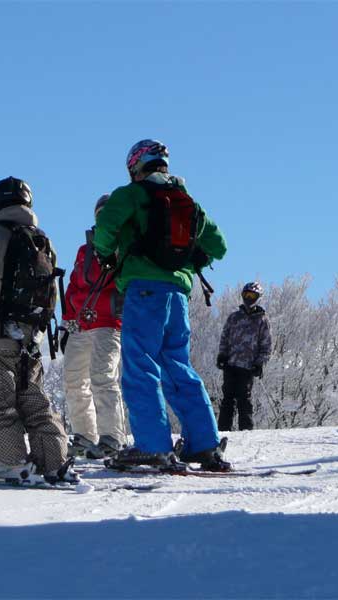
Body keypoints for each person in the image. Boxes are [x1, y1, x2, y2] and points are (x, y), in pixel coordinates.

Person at [93, 139, 230, 471]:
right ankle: (204, 444)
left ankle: (153, 446)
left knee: (140, 366)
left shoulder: (131, 195)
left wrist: (107, 251)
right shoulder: (187, 201)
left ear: (135, 167)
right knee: (177, 366)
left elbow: (105, 229)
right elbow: (219, 246)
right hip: (178, 295)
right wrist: (191, 252)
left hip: (143, 291)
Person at [0, 176, 77, 484]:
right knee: (34, 401)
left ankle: (9, 461)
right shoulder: (43, 240)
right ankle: (54, 462)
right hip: (30, 339)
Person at [61, 193, 127, 458]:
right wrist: (67, 322)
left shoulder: (124, 246)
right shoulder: (84, 250)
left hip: (109, 323)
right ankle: (84, 435)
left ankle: (112, 436)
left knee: (102, 376)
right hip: (81, 323)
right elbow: (74, 285)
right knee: (74, 380)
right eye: (100, 214)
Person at [217, 282, 272, 431]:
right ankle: (222, 430)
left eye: (252, 296)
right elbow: (225, 336)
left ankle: (246, 431)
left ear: (258, 298)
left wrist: (259, 363)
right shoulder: (234, 317)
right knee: (227, 398)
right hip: (231, 363)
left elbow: (266, 345)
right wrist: (222, 355)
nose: (249, 298)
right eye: (246, 295)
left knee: (244, 399)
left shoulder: (262, 320)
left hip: (248, 367)